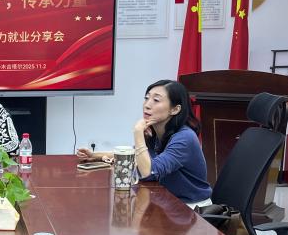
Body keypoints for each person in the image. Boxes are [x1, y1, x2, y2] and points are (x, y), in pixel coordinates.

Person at [77, 79, 212, 205]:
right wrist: (95, 155)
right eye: (146, 98)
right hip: (166, 201)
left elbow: (148, 171)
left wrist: (138, 133)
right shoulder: (156, 131)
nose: (147, 105)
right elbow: (136, 157)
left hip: (190, 208)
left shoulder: (185, 138)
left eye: (156, 100)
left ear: (175, 109)